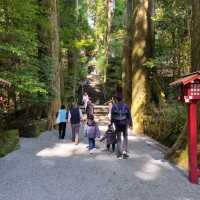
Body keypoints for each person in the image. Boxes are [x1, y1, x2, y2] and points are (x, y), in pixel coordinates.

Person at [111, 94, 132, 159]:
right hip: (124, 123)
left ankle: (119, 154)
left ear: (116, 99)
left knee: (119, 138)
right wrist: (131, 123)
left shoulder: (114, 106)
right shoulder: (126, 106)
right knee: (125, 137)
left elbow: (112, 116)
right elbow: (129, 115)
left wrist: (111, 123)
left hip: (117, 123)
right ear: (122, 99)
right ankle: (124, 152)